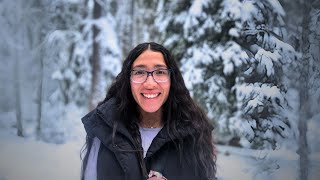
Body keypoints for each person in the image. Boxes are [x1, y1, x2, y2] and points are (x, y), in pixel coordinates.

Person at [81, 42, 216, 180]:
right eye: (139, 72)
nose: (150, 84)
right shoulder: (104, 129)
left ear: (172, 79)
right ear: (128, 79)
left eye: (160, 72)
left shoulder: (195, 133)